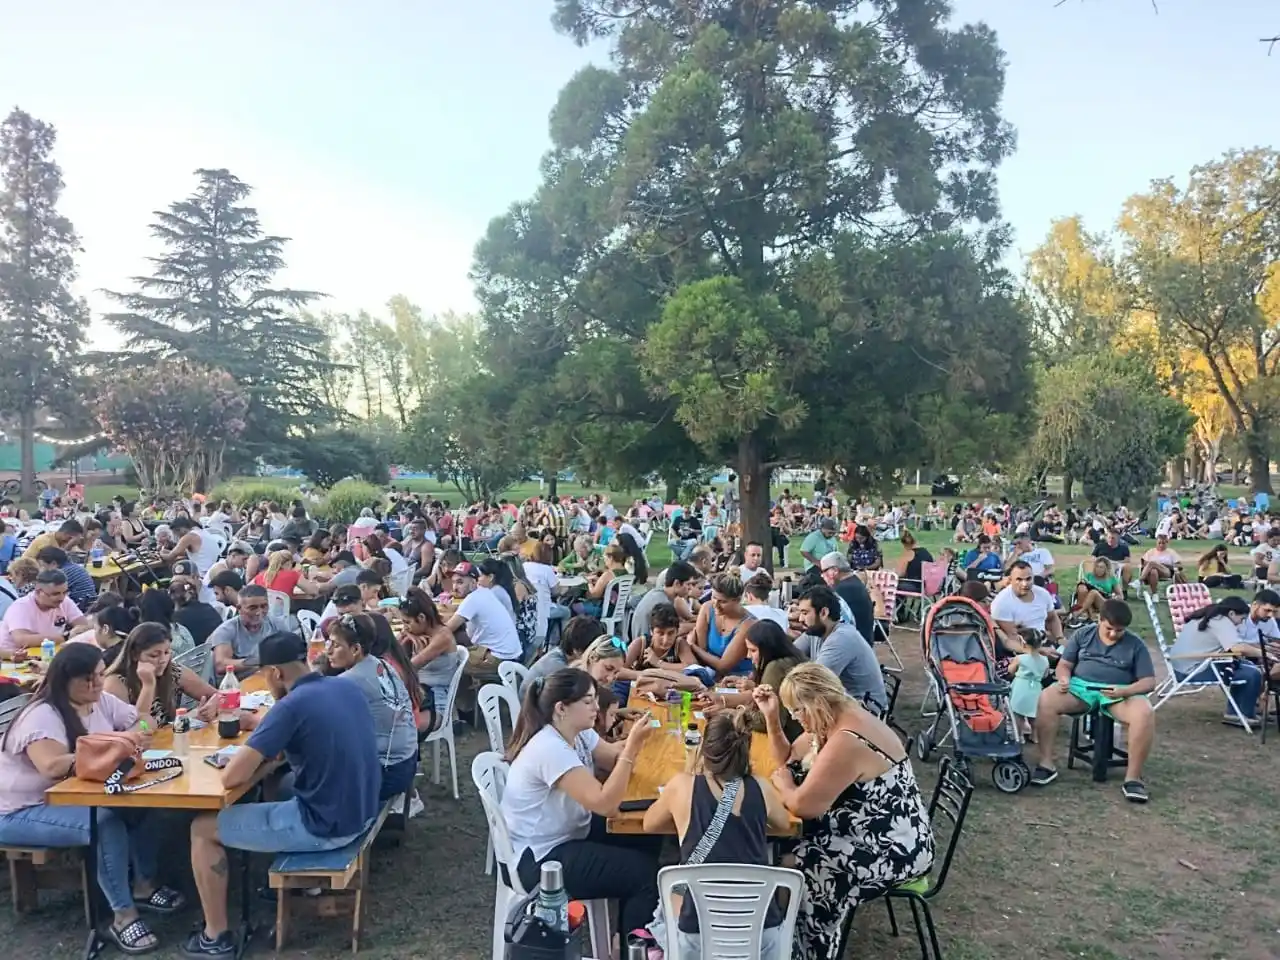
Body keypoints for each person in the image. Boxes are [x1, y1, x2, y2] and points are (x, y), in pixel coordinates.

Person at [184, 632, 380, 959]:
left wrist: (256, 744)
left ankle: (215, 935)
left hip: (326, 826)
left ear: (275, 673)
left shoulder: (289, 706)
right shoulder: (344, 686)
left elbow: (233, 776)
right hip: (361, 810)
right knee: (280, 785)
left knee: (202, 828)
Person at [0, 643, 181, 954]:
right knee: (105, 821)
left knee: (148, 805)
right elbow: (52, 766)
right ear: (63, 680)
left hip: (71, 800)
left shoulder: (100, 701)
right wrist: (113, 746)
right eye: (88, 679)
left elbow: (143, 720)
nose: (97, 683)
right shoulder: (42, 716)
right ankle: (122, 916)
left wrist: (136, 731)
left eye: (99, 675)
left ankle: (143, 884)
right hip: (22, 810)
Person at [758, 663, 934, 960]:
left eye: (797, 711)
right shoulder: (832, 719)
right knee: (778, 846)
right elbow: (788, 758)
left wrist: (786, 785)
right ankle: (784, 938)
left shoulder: (848, 738)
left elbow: (804, 806)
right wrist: (772, 718)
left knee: (796, 864)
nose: (797, 719)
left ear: (816, 703)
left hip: (892, 848)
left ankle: (809, 948)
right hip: (862, 831)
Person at [500, 668, 660, 940]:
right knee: (646, 876)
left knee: (647, 833)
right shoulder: (550, 749)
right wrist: (632, 748)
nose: (596, 708)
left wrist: (645, 740)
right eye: (588, 701)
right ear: (561, 708)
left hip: (566, 832)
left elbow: (612, 759)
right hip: (540, 859)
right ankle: (633, 949)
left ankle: (623, 932)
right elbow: (605, 804)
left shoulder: (576, 732)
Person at [640, 709, 792, 957]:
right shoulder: (761, 788)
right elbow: (784, 824)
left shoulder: (682, 786)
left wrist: (690, 774)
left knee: (669, 896)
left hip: (696, 936)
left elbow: (650, 823)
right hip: (759, 935)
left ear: (704, 749)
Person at [1030, 600, 1157, 803]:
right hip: (1081, 688)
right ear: (1100, 619)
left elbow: (1149, 682)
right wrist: (1064, 679)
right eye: (1109, 628)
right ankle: (1046, 764)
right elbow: (1064, 664)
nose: (1114, 634)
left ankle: (1133, 778)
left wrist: (1126, 690)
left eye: (1120, 631)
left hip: (1118, 693)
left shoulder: (1135, 644)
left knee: (1145, 712)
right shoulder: (1083, 635)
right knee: (1047, 698)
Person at [328, 613, 420, 803]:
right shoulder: (382, 663)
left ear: (355, 649)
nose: (327, 651)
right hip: (407, 761)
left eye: (336, 645)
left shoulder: (348, 681)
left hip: (387, 773)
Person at [1167, 595, 1264, 728]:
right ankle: (1240, 714)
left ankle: (1238, 711)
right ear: (1231, 613)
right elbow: (1237, 647)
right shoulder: (1221, 621)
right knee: (1252, 673)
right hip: (1192, 671)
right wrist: (1264, 654)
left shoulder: (1209, 615)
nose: (1240, 623)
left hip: (1180, 664)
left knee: (1245, 667)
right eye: (1241, 619)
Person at [104, 621, 223, 727]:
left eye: (166, 652)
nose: (162, 660)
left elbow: (220, 695)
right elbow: (140, 727)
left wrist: (213, 704)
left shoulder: (173, 671)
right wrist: (148, 686)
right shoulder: (117, 683)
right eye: (154, 655)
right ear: (135, 655)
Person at [793, 586, 886, 714]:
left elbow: (813, 682)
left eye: (805, 613)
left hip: (865, 710)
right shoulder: (816, 631)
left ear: (824, 613)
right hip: (846, 703)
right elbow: (789, 653)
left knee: (798, 709)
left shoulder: (841, 639)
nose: (800, 619)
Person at [400, 587, 463, 732]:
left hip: (436, 701)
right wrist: (409, 637)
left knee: (399, 727)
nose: (405, 627)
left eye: (407, 622)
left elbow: (408, 669)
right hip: (420, 693)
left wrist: (406, 640)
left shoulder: (442, 636)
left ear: (421, 618)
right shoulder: (422, 632)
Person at [0, 569, 91, 661]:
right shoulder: (21, 607)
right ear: (39, 592)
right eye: (55, 594)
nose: (61, 598)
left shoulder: (64, 601)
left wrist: (77, 630)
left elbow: (84, 626)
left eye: (65, 592)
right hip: (13, 660)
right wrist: (65, 637)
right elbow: (22, 640)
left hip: (45, 655)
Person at [208, 584, 291, 673]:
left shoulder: (276, 624)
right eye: (253, 608)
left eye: (264, 606)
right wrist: (258, 661)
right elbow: (221, 665)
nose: (259, 612)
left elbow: (292, 651)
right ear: (239, 608)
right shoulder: (226, 630)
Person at [687, 572, 754, 681]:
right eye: (713, 597)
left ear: (737, 600)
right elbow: (702, 653)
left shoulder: (747, 624)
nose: (716, 605)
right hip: (712, 673)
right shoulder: (707, 608)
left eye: (723, 601)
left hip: (738, 678)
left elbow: (723, 667)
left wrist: (692, 645)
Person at [990, 560, 1064, 657]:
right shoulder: (1002, 602)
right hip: (1021, 651)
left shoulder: (1042, 594)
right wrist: (1038, 651)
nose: (1025, 584)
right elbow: (1010, 640)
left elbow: (1052, 618)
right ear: (1010, 579)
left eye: (1028, 579)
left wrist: (1060, 638)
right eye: (1019, 579)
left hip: (1043, 642)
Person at [630, 561, 700, 640]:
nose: (690, 588)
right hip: (647, 645)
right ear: (677, 583)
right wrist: (701, 623)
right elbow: (675, 630)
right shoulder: (662, 602)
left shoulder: (659, 593)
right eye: (688, 584)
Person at [817, 552, 876, 644]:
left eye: (823, 571)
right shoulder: (854, 582)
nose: (822, 575)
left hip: (853, 644)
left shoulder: (843, 589)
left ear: (835, 570)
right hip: (862, 639)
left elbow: (824, 618)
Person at [1008, 633, 1051, 740]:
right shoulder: (1045, 660)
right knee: (1034, 713)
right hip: (1036, 687)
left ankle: (1019, 735)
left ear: (1023, 644)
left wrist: (1011, 665)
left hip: (1020, 686)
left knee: (1018, 713)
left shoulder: (1020, 658)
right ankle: (1035, 736)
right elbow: (1045, 674)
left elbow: (1010, 670)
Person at [1072, 557, 1123, 621]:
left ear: (1106, 569)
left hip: (1104, 602)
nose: (1098, 569)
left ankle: (1080, 612)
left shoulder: (1111, 578)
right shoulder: (1089, 576)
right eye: (1097, 566)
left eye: (1101, 567)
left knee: (1094, 592)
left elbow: (1121, 596)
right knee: (1081, 588)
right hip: (1089, 602)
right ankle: (1091, 614)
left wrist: (1115, 597)